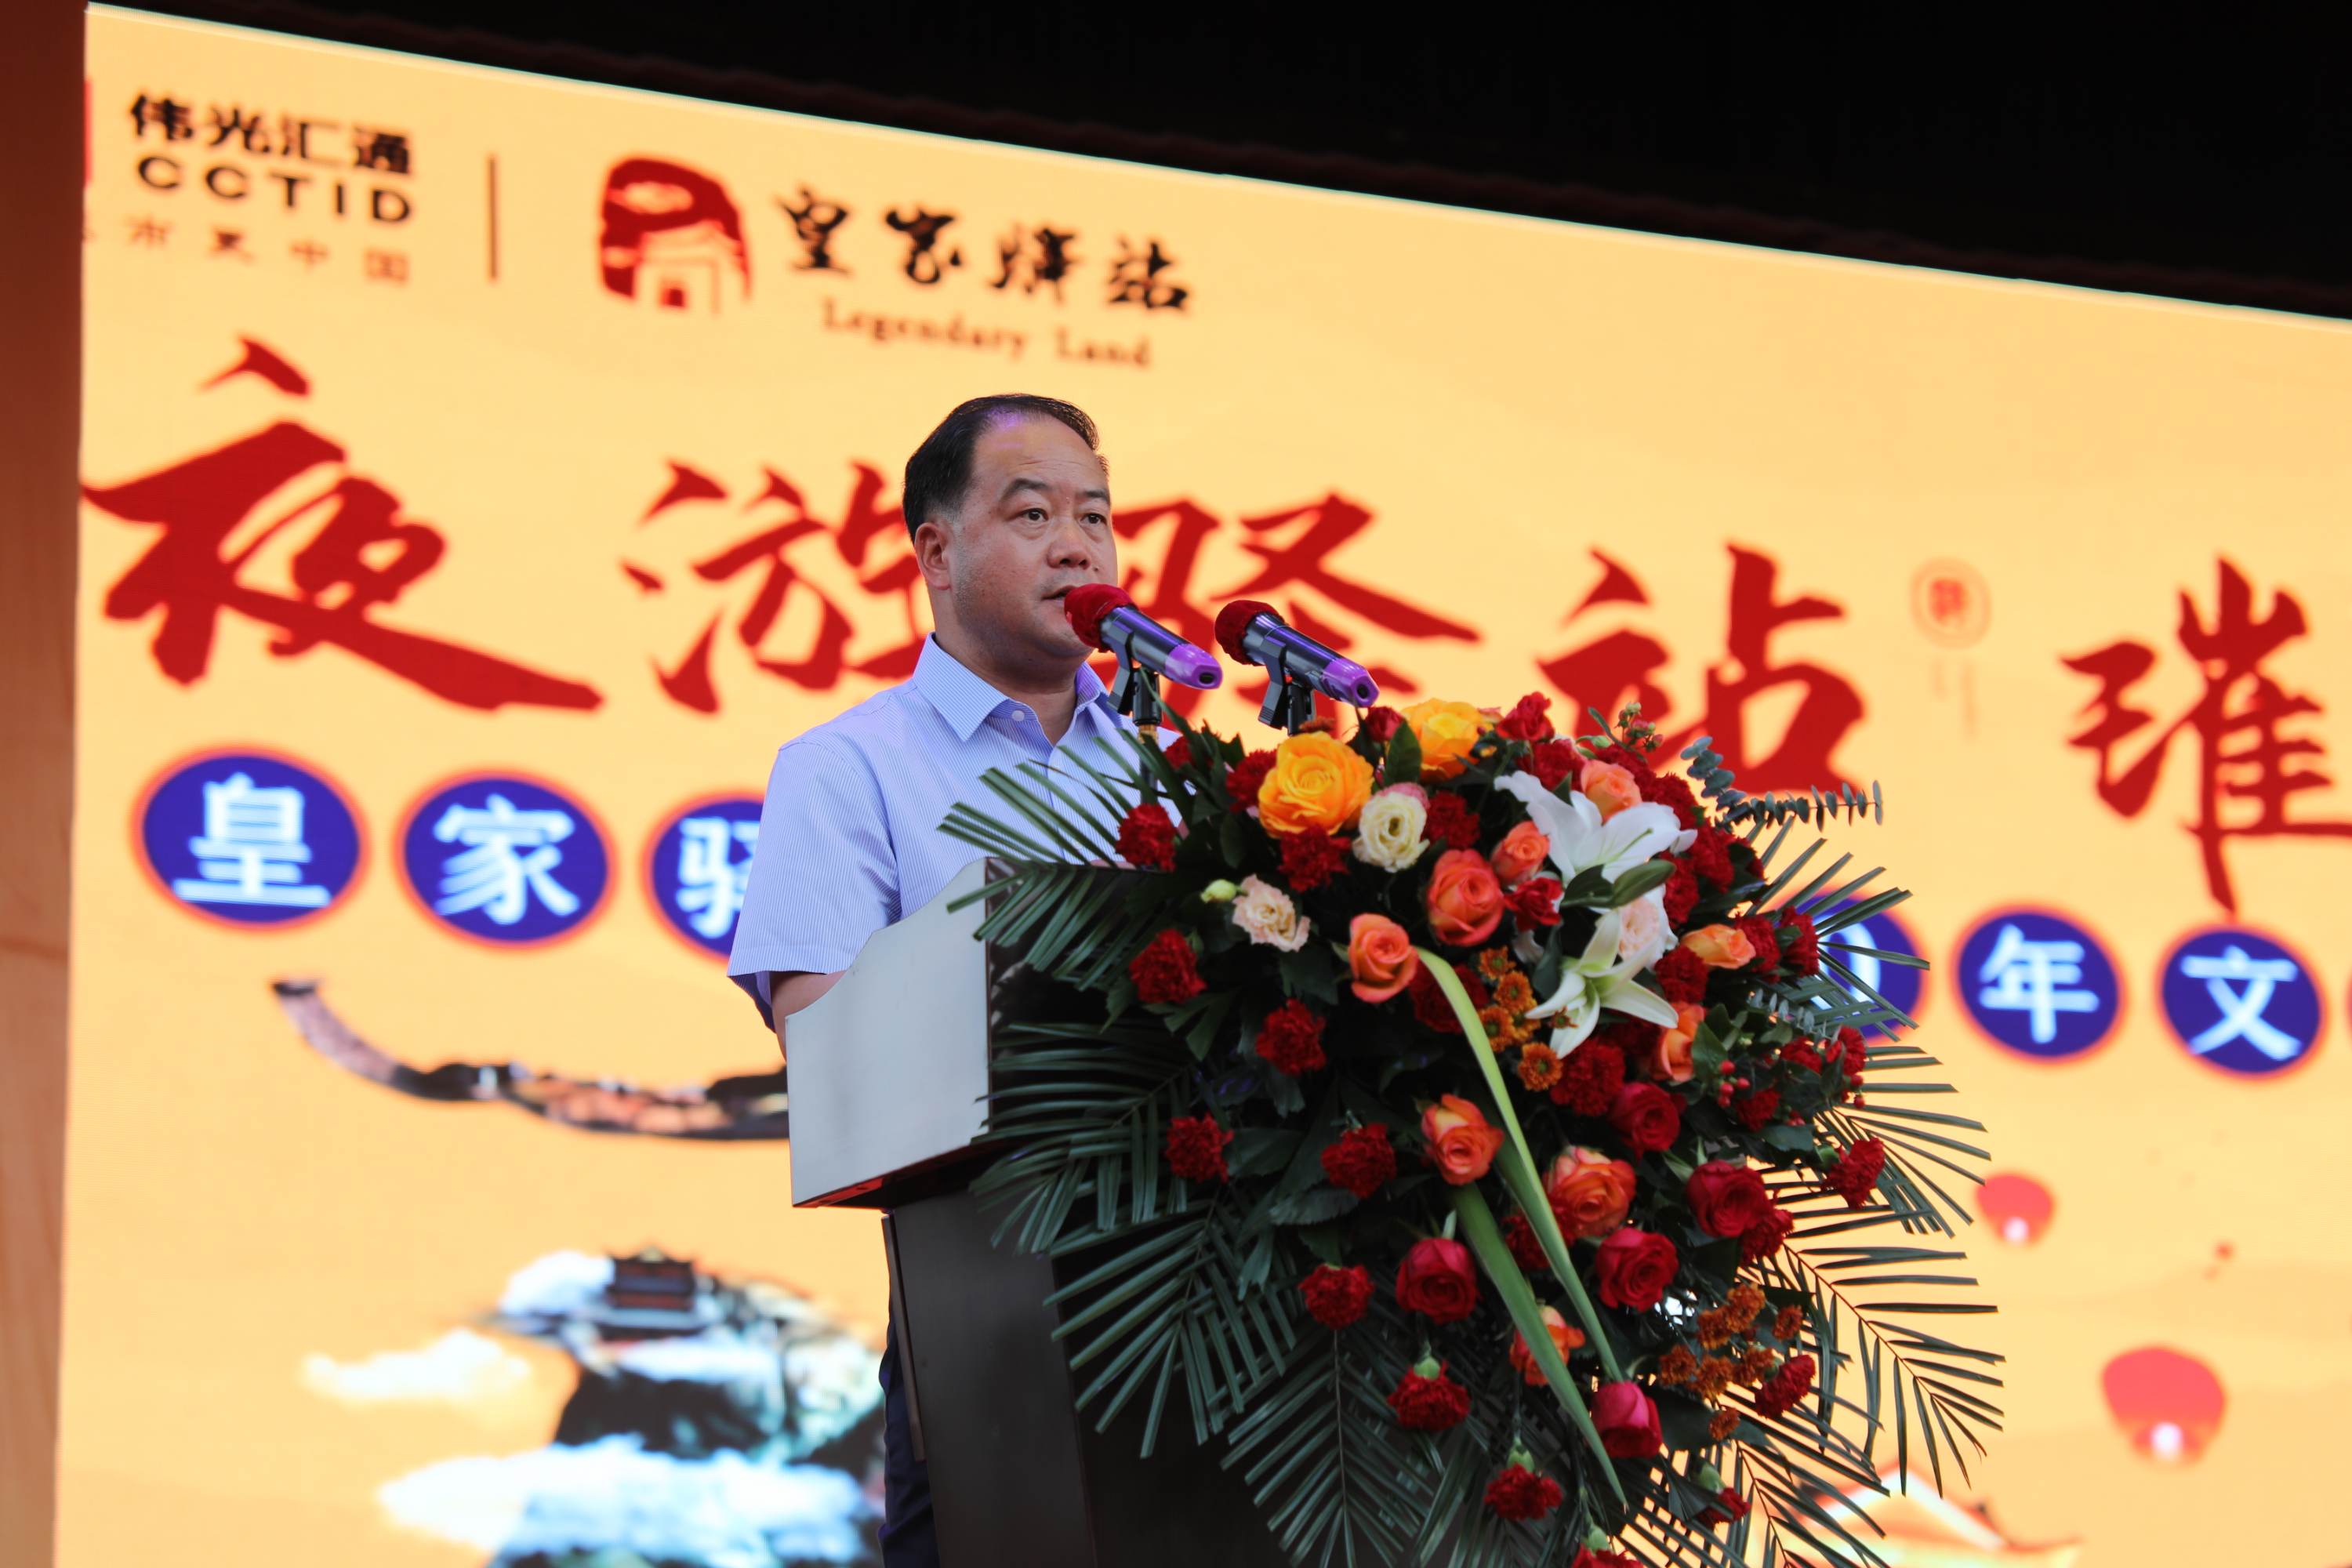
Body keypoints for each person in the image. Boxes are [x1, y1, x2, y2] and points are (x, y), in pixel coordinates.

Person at [725, 393, 1129, 1567]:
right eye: (1034, 514)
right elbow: (827, 1049)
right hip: (991, 1315)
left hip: (1216, 1304)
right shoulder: (850, 767)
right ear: (937, 553)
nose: (1077, 547)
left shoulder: (1175, 771)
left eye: (1096, 517)